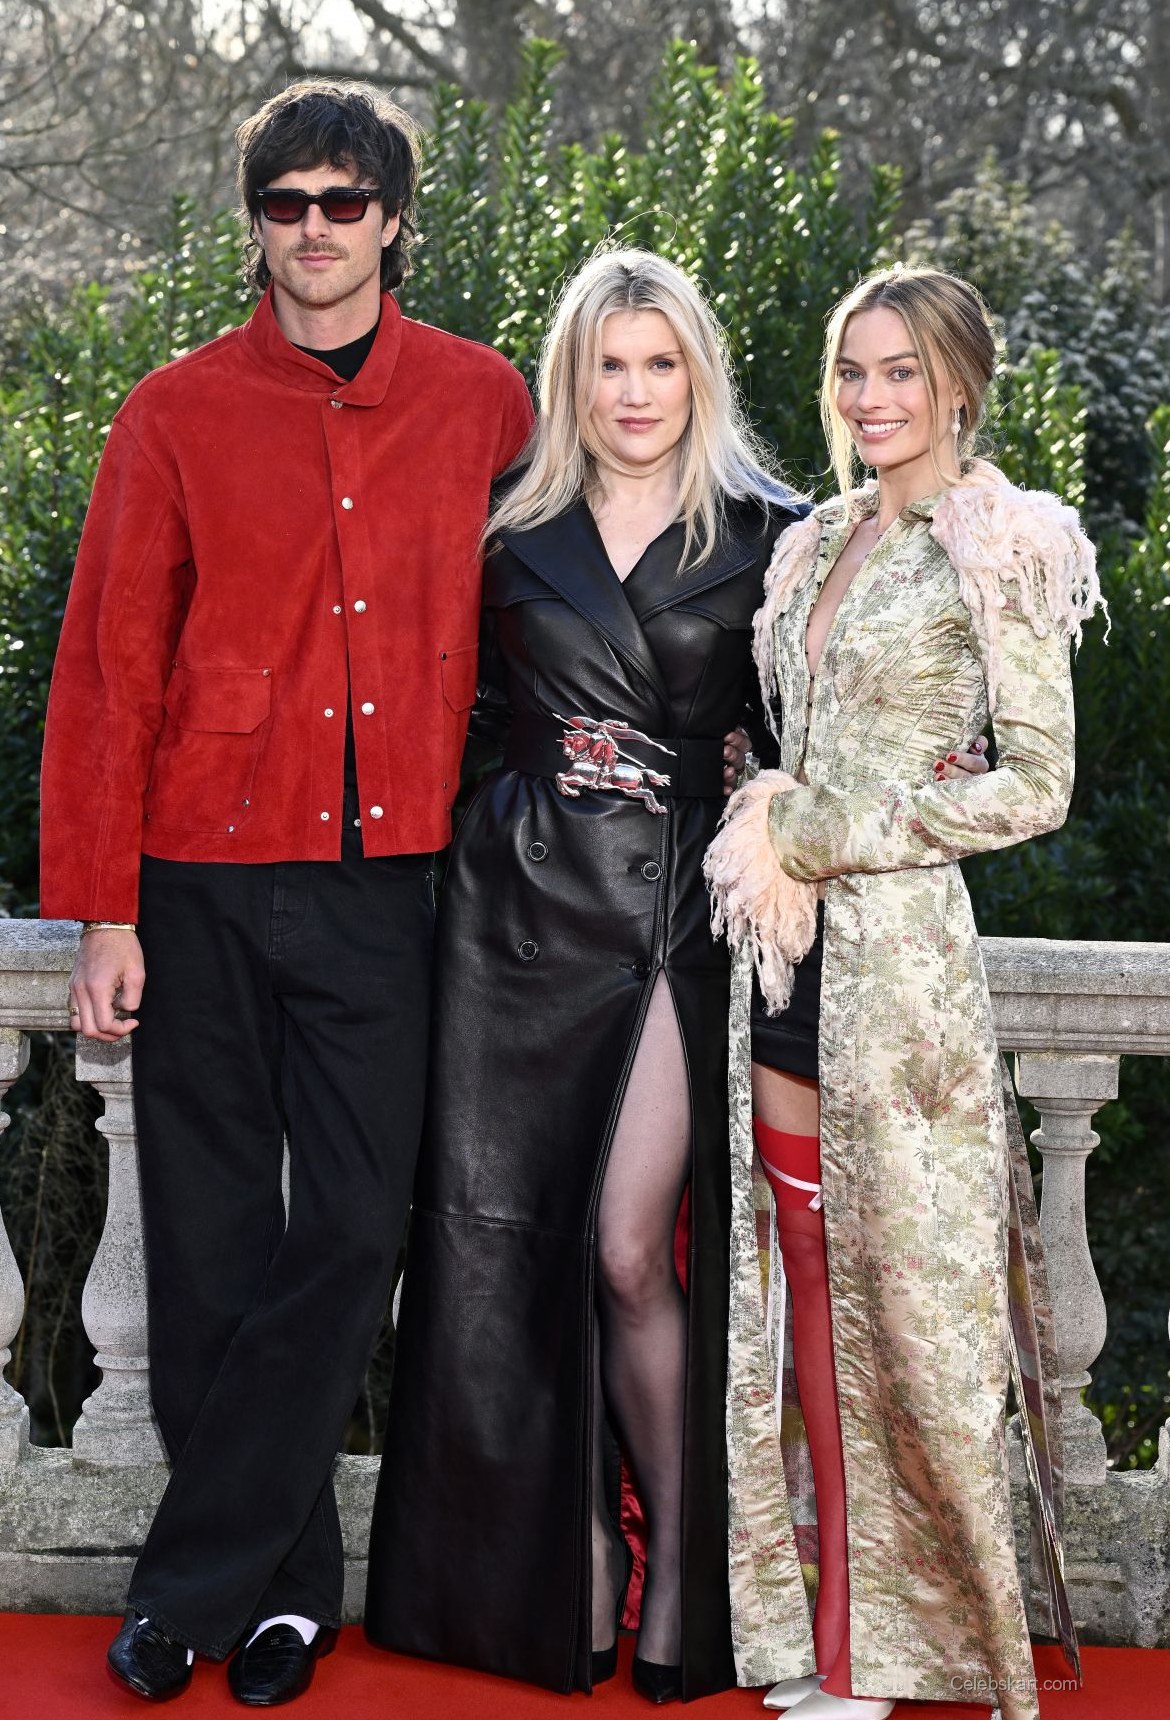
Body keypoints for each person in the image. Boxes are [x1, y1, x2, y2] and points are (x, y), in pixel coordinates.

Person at [362, 249, 991, 1701]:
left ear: (697, 376)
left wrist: (881, 780)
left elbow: (825, 722)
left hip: (673, 923)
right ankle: (572, 1562)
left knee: (626, 1248)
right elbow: (454, 715)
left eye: (660, 364)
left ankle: (695, 1579)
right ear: (571, 379)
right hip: (512, 918)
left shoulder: (777, 535)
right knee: (502, 1250)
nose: (634, 392)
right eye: (609, 364)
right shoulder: (507, 528)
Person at [39, 80, 533, 1706]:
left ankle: (182, 1589)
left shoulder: (483, 402)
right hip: (195, 876)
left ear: (392, 220)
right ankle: (283, 1603)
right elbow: (107, 668)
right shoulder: (172, 411)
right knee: (204, 1241)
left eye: (342, 202)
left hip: (390, 887)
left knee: (353, 1225)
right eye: (283, 202)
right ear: (253, 224)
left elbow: (580, 582)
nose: (313, 229)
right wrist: (101, 907)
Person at [704, 266, 1101, 1720]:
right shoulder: (813, 542)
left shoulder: (1002, 540)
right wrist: (762, 792)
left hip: (902, 976)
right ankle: (829, 1641)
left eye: (900, 372)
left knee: (916, 1321)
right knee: (802, 1295)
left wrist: (835, 826)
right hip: (782, 963)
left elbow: (1038, 783)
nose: (871, 399)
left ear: (958, 385)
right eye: (852, 371)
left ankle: (902, 1653)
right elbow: (795, 732)